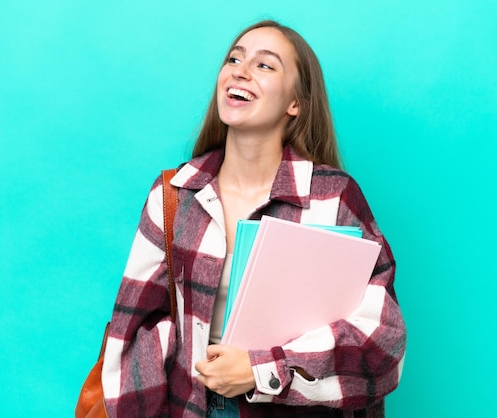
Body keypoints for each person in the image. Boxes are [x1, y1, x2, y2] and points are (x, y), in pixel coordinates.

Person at [101, 19, 406, 418]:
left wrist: (261, 370)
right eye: (234, 59)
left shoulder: (333, 197)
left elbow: (382, 340)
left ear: (295, 103)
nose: (240, 70)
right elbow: (133, 331)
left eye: (265, 65)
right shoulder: (174, 196)